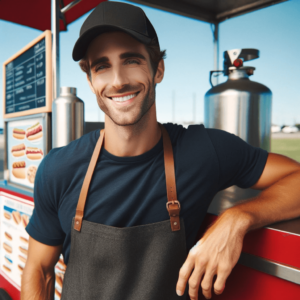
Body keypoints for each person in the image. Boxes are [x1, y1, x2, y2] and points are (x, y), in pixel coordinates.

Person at [21, 2, 300, 300]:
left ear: (158, 69)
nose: (118, 81)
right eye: (102, 66)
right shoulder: (58, 169)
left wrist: (239, 216)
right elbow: (39, 270)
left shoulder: (204, 150)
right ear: (90, 80)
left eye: (131, 60)